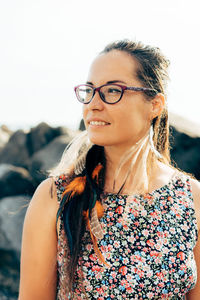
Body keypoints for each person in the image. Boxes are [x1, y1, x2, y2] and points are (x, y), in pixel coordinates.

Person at [18, 40, 200, 300]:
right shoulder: (55, 197)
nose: (93, 104)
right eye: (89, 91)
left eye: (112, 91)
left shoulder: (191, 198)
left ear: (155, 105)